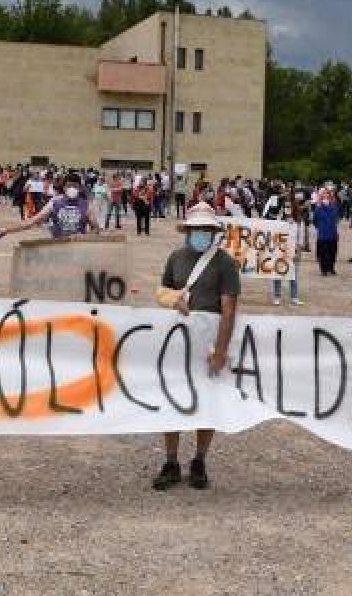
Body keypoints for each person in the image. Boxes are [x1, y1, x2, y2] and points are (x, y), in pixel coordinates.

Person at [153, 203, 240, 490]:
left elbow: (229, 309)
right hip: (179, 339)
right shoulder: (175, 258)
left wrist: (220, 350)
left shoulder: (225, 263)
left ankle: (200, 460)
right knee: (171, 396)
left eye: (206, 229)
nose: (201, 233)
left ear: (213, 231)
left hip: (208, 342)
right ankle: (171, 461)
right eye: (196, 229)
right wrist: (171, 300)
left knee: (208, 400)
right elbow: (163, 291)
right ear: (188, 231)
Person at [0, 173, 100, 240]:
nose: (72, 188)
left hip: (79, 250)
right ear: (64, 187)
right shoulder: (55, 202)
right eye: (69, 186)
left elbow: (95, 229)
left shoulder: (87, 206)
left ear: (80, 188)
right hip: (57, 248)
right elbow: (33, 221)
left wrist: (84, 237)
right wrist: (7, 230)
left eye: (75, 186)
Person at [313, 187, 341, 276]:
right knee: (323, 252)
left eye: (327, 194)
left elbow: (336, 219)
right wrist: (320, 227)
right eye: (324, 194)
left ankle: (331, 267)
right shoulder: (318, 208)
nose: (326, 196)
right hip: (322, 233)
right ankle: (323, 269)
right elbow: (315, 221)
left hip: (332, 232)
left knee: (332, 252)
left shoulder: (334, 207)